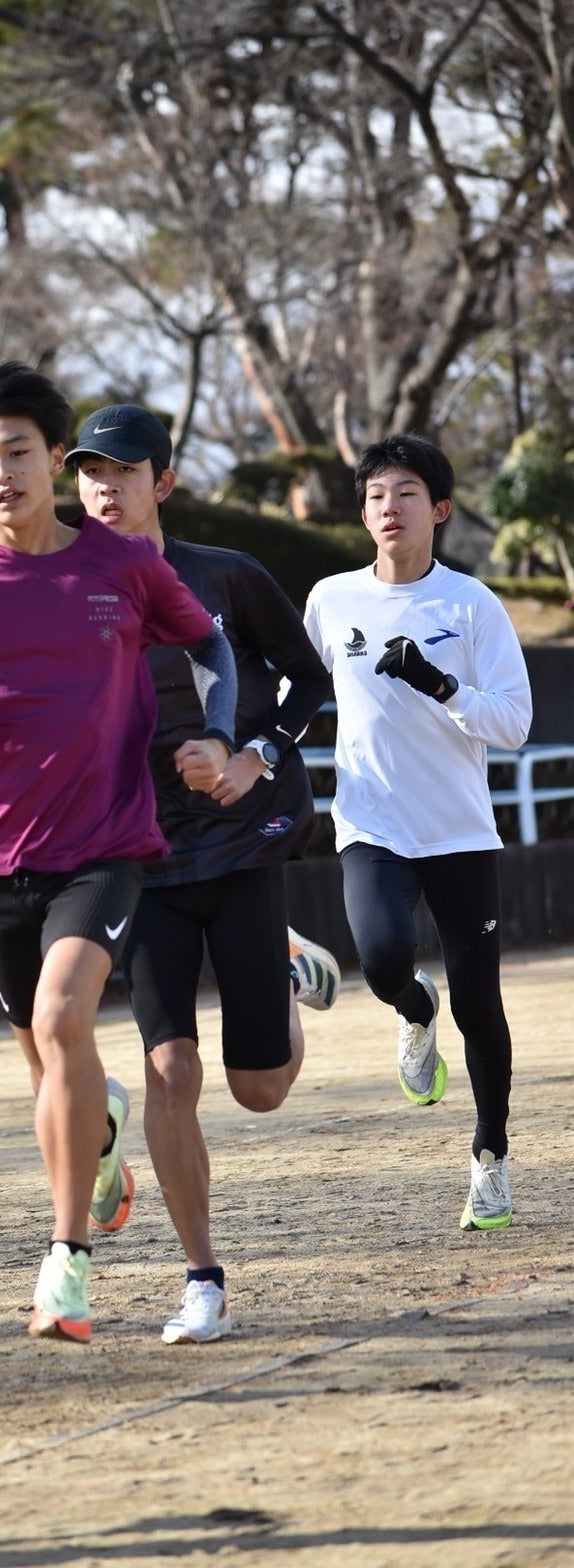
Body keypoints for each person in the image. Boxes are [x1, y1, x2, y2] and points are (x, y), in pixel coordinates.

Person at [0, 360, 239, 1343]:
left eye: (18, 452)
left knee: (62, 1014)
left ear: (53, 457)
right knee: (47, 1061)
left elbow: (209, 643)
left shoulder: (118, 564)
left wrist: (218, 734)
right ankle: (96, 1136)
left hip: (105, 846)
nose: (2, 473)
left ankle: (66, 1261)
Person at [67, 403, 339, 1345]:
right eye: (91, 472)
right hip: (139, 856)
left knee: (259, 1088)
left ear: (164, 482)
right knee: (169, 1068)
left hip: (243, 838)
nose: (105, 488)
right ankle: (202, 1279)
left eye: (124, 471)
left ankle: (287, 968)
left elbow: (310, 679)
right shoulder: (62, 591)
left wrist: (253, 755)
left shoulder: (226, 575)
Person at [303, 433, 532, 1231]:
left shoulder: (471, 604)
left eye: (405, 493)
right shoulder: (331, 599)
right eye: (375, 495)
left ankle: (491, 1155)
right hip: (370, 823)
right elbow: (294, 690)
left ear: (439, 510)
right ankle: (411, 1007)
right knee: (382, 959)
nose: (388, 507)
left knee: (480, 1001)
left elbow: (513, 723)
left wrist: (439, 684)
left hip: (459, 832)